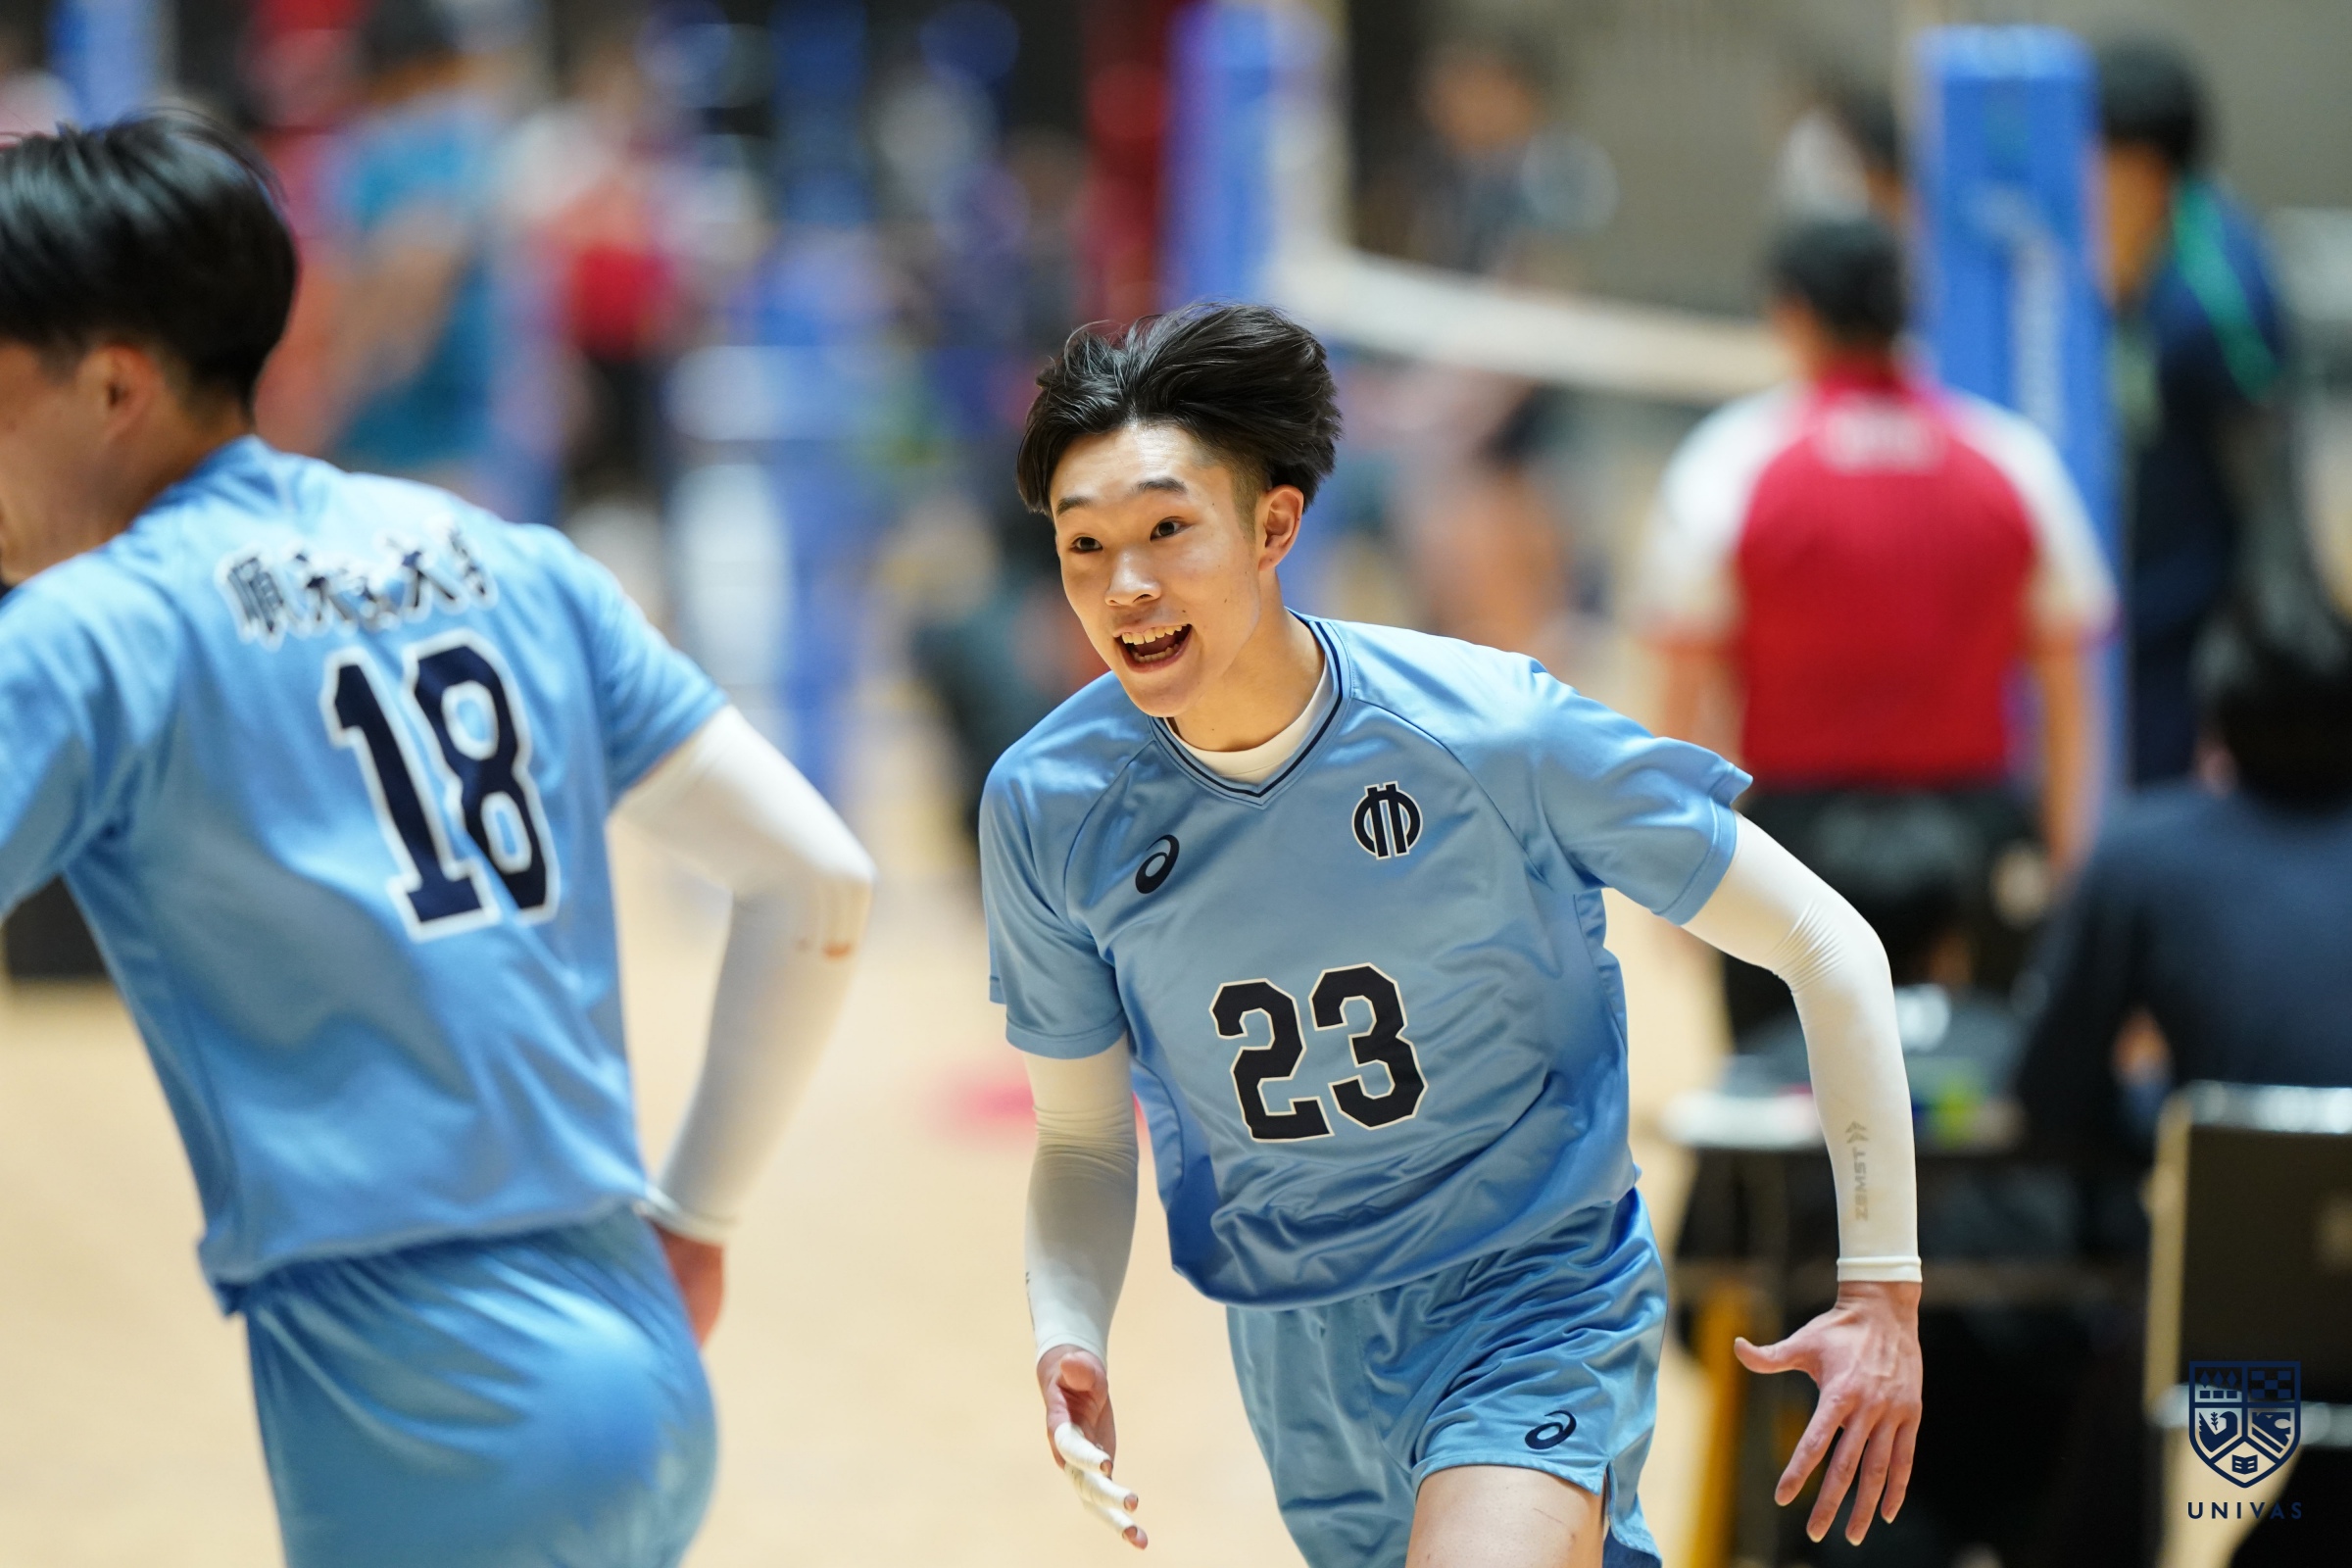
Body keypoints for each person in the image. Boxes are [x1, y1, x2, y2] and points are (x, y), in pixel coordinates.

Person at [0, 117, 876, 1567]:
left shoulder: (100, 631)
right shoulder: (512, 562)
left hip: (423, 1408)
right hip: (641, 1359)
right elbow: (817, 876)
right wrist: (699, 1218)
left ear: (111, 385)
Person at [982, 303, 1925, 1567]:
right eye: (1084, 546)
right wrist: (1069, 1327)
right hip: (1299, 1348)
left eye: (1167, 529)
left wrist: (1882, 1288)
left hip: (1532, 1296)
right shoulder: (1048, 803)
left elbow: (1826, 942)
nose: (1127, 586)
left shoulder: (1492, 733)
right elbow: (1085, 1133)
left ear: (1273, 527)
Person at [1638, 216, 2116, 1036]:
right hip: (1976, 847)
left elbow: (1684, 695)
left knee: (1786, 1091)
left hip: (1795, 853)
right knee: (1980, 1081)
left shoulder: (1729, 467)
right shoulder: (2011, 460)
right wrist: (2068, 859)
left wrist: (1677, 871)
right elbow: (2067, 685)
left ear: (1791, 313)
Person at [2014, 585, 2352, 1568]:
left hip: (2233, 1336)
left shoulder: (2143, 855)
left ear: (2217, 718)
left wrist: (2171, 1122)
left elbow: (2048, 1097)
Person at [2098, 37, 2295, 787]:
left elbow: (2267, 484)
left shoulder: (2215, 302)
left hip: (2185, 629)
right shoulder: (2125, 243)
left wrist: (2249, 647)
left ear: (2140, 166)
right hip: (2125, 610)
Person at [321, 0, 505, 497]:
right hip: (420, 435)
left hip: (430, 430)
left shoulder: (383, 149)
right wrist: (354, 378)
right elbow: (416, 263)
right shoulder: (426, 147)